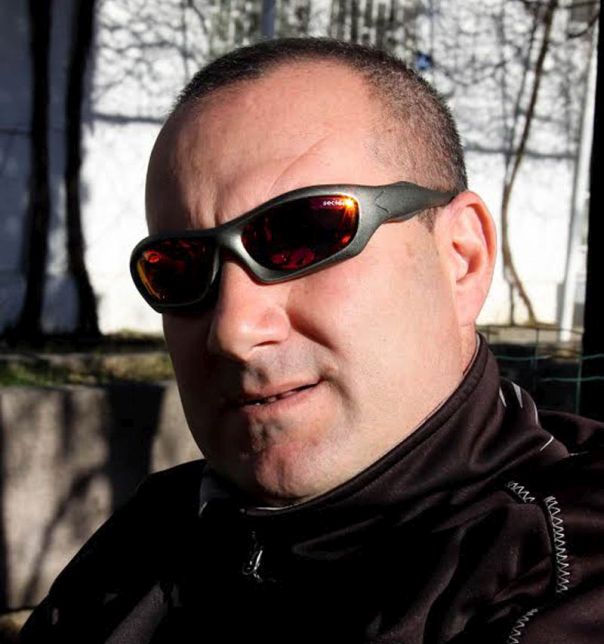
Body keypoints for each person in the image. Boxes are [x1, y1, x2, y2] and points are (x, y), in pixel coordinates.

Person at [21, 38, 604, 644]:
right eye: (180, 268)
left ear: (462, 258)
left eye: (304, 236)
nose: (234, 330)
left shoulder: (564, 575)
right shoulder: (150, 538)